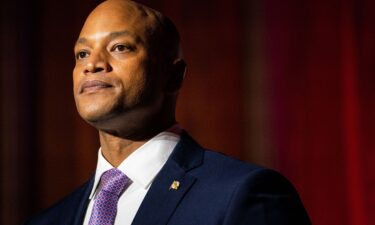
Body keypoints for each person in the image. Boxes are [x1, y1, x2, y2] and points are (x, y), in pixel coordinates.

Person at [24, 0, 311, 224]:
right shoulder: (47, 220)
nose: (93, 64)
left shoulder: (241, 194)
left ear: (172, 76)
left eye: (119, 47)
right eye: (82, 54)